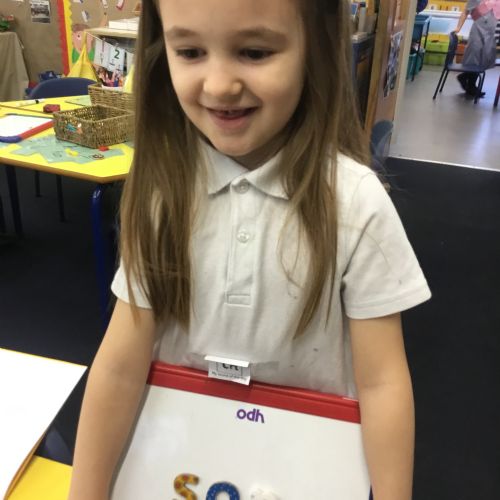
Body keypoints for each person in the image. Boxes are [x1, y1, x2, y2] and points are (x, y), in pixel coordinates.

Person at [68, 1, 431, 499]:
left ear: (313, 49)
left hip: (303, 472)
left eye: (254, 52)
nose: (219, 85)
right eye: (190, 51)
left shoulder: (355, 204)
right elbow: (118, 367)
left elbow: (383, 385)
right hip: (177, 467)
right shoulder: (163, 194)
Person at [453, 0, 499, 97]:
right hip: (478, 32)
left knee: (485, 59)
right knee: (474, 58)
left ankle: (464, 77)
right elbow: (465, 12)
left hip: (491, 33)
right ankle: (471, 86)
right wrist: (458, 28)